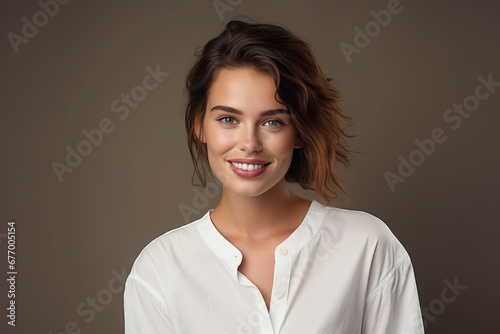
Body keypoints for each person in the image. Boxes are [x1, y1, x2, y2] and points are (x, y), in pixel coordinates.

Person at [124, 20, 424, 334]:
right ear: (200, 125)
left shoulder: (367, 246)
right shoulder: (159, 270)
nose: (250, 143)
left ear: (299, 132)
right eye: (229, 119)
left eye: (273, 122)